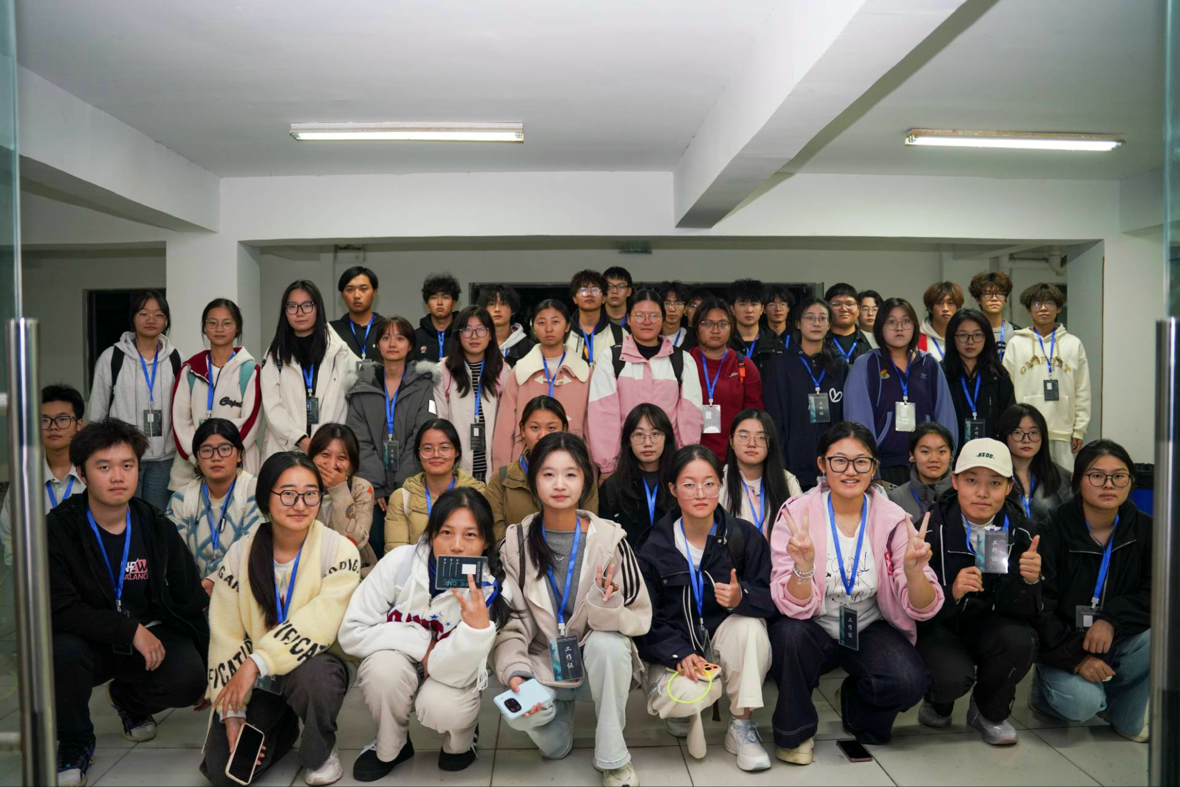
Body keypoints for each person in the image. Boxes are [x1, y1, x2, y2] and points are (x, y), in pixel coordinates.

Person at [767, 421, 943, 765]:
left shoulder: (895, 519)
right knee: (788, 636)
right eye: (839, 461)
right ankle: (795, 732)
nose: (851, 471)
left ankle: (857, 707)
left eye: (861, 461)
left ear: (874, 468)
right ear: (822, 464)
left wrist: (914, 574)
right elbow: (791, 605)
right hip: (813, 624)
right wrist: (803, 567)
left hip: (868, 624)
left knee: (909, 682)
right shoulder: (796, 514)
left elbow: (923, 607)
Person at [49, 419, 208, 787]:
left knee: (190, 677)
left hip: (146, 639)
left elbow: (189, 599)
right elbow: (59, 609)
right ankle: (75, 741)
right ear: (82, 473)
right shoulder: (58, 529)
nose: (118, 477)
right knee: (59, 652)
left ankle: (128, 700)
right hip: (87, 640)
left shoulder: (155, 526)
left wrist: (208, 667)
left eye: (127, 465)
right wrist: (127, 629)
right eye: (104, 467)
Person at [493, 432, 651, 787]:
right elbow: (511, 626)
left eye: (570, 474)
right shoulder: (515, 543)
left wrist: (607, 605)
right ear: (534, 481)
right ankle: (555, 713)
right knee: (552, 747)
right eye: (548, 474)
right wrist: (516, 674)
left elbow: (638, 617)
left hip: (595, 661)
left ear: (585, 481)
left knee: (610, 644)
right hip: (542, 662)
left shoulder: (610, 539)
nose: (560, 484)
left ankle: (613, 756)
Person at [200, 452, 361, 787]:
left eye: (310, 493)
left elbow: (322, 620)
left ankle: (321, 750)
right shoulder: (241, 553)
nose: (300, 504)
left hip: (314, 665)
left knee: (315, 676)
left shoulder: (338, 550)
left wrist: (256, 662)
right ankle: (283, 726)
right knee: (222, 773)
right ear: (266, 499)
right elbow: (225, 633)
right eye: (288, 494)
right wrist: (232, 712)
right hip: (259, 682)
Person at [338, 487, 514, 779]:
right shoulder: (399, 564)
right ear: (431, 534)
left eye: (470, 535)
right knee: (382, 670)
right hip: (402, 661)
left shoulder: (495, 590)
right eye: (446, 532)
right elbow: (352, 632)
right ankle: (391, 745)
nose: (456, 546)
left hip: (451, 677)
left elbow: (457, 673)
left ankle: (462, 741)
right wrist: (422, 645)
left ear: (485, 541)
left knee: (440, 705)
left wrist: (475, 629)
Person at [637, 445, 775, 771]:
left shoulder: (744, 536)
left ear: (721, 486)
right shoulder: (654, 545)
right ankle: (688, 708)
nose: (700, 493)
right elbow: (644, 618)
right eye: (689, 484)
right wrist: (678, 653)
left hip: (723, 638)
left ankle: (741, 725)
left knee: (750, 627)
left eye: (709, 483)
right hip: (677, 646)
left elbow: (774, 599)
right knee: (685, 697)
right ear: (673, 489)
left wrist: (743, 598)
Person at [915, 438, 1040, 746]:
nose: (982, 493)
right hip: (940, 625)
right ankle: (937, 703)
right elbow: (911, 606)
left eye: (995, 483)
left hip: (989, 623)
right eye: (972, 480)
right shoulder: (928, 528)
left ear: (1009, 487)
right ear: (955, 480)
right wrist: (951, 592)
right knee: (950, 676)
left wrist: (1029, 582)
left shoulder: (1023, 532)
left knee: (1020, 641)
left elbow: (1027, 611)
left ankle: (988, 712)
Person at [1031, 440, 1151, 743]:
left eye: (1119, 476)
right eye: (1097, 476)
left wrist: (1111, 620)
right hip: (1062, 643)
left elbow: (1158, 594)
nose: (1109, 485)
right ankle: (1045, 694)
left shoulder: (1146, 530)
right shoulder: (1052, 530)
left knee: (1161, 637)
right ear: (1076, 481)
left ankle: (1122, 711)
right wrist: (1078, 659)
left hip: (1115, 636)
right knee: (1083, 704)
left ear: (1130, 481)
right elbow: (1040, 607)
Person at [588, 289, 704, 474]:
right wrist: (608, 465)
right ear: (628, 318)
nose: (647, 321)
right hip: (623, 463)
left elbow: (690, 416)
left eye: (654, 315)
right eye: (640, 315)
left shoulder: (682, 360)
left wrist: (685, 461)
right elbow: (603, 415)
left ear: (663, 318)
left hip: (670, 462)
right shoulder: (611, 358)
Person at [345, 315, 435, 552]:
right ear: (378, 344)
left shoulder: (424, 385)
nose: (392, 343)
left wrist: (402, 485)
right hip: (372, 490)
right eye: (386, 337)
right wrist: (376, 486)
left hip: (412, 485)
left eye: (400, 338)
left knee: (413, 548)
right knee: (374, 545)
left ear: (410, 345)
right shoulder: (361, 387)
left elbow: (423, 435)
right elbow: (359, 440)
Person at [844, 297, 958, 485]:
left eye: (906, 321)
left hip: (927, 467)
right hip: (883, 467)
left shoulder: (929, 364)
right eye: (891, 322)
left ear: (914, 326)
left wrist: (943, 465)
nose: (899, 328)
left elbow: (946, 419)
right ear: (880, 327)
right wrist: (870, 469)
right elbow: (858, 423)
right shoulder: (866, 364)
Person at [88, 290, 183, 512]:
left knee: (157, 518)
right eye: (144, 313)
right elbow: (97, 411)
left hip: (164, 459)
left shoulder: (176, 358)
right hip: (122, 457)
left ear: (166, 320)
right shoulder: (112, 357)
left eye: (159, 315)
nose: (151, 319)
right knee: (123, 515)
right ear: (133, 317)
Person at [170, 298, 262, 491]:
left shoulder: (250, 371)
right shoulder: (190, 370)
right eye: (212, 323)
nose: (219, 329)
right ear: (204, 328)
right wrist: (199, 457)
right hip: (191, 468)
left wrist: (222, 456)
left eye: (227, 323)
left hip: (238, 469)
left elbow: (249, 423)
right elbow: (180, 421)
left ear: (237, 328)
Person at [261, 280, 359, 460]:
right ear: (285, 311)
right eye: (292, 306)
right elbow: (272, 405)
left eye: (307, 305)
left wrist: (324, 442)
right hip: (284, 450)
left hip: (328, 449)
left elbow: (361, 387)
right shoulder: (275, 354)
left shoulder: (338, 350)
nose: (299, 313)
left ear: (317, 308)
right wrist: (301, 440)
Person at [762, 297, 849, 490]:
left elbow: (846, 417)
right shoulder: (780, 366)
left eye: (822, 318)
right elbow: (775, 419)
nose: (816, 323)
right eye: (810, 317)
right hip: (794, 463)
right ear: (798, 323)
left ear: (829, 325)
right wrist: (779, 463)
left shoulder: (839, 365)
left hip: (834, 462)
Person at [1002, 283, 1091, 469]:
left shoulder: (1073, 344)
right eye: (1037, 304)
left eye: (1049, 303)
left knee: (1063, 480)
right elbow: (1006, 389)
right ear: (1029, 310)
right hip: (1025, 432)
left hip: (1062, 430)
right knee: (1026, 478)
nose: (1043, 308)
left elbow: (1082, 389)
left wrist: (1079, 430)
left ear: (1059, 308)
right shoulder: (1016, 344)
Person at [166, 418, 261, 592]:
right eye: (206, 450)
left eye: (225, 449)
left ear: (239, 455)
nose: (216, 457)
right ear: (197, 459)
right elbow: (174, 556)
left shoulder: (255, 492)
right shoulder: (182, 499)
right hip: (193, 593)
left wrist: (213, 581)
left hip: (243, 590)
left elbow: (252, 550)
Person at [486, 395, 600, 540]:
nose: (542, 435)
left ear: (564, 428)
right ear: (522, 430)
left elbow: (590, 528)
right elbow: (496, 534)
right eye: (534, 428)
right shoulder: (502, 478)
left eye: (551, 428)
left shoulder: (581, 476)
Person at [493, 299, 592, 463]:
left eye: (555, 322)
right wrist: (502, 471)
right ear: (533, 327)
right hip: (525, 460)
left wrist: (591, 469)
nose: (549, 329)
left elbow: (592, 428)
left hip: (573, 459)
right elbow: (505, 428)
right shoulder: (519, 371)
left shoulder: (584, 373)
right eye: (541, 322)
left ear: (567, 326)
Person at [0, 383, 86, 568]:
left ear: (79, 425)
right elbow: (9, 533)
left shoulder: (94, 476)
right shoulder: (24, 479)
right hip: (36, 576)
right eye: (44, 420)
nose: (53, 427)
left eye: (62, 419)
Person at [384, 419, 488, 552]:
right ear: (418, 453)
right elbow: (396, 554)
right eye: (427, 449)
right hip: (414, 565)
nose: (436, 454)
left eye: (444, 448)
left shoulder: (478, 494)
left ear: (456, 452)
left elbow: (484, 546)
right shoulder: (402, 498)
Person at [434, 305, 509, 483]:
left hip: (492, 468)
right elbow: (440, 420)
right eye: (467, 330)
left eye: (481, 329)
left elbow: (507, 422)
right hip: (456, 468)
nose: (474, 336)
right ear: (458, 335)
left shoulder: (502, 369)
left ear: (490, 335)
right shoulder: (443, 371)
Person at [688, 297, 763, 462]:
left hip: (734, 457)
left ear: (731, 327)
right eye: (707, 324)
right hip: (692, 456)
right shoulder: (684, 362)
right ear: (696, 327)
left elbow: (754, 418)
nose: (715, 330)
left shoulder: (744, 365)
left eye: (722, 324)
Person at [598, 403, 678, 549]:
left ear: (666, 438)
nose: (647, 443)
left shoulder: (679, 481)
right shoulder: (612, 486)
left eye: (655, 434)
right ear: (628, 440)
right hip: (628, 561)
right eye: (639, 435)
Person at [718, 410, 802, 538]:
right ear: (731, 441)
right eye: (743, 436)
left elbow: (800, 528)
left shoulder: (787, 481)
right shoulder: (718, 480)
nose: (752, 444)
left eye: (761, 437)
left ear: (770, 444)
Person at [309, 423, 378, 573]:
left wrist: (339, 489)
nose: (332, 464)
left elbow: (355, 542)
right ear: (312, 457)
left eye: (341, 457)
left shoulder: (362, 488)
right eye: (325, 455)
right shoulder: (301, 487)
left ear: (351, 466)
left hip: (355, 570)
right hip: (310, 569)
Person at [942, 309, 1016, 442]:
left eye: (977, 335)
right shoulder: (942, 373)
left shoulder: (998, 375)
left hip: (992, 450)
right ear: (952, 338)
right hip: (950, 449)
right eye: (963, 335)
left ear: (986, 337)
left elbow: (1009, 421)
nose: (970, 342)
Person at [1000, 404, 1072, 527]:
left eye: (1033, 432)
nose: (1026, 439)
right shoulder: (994, 474)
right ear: (1004, 435)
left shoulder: (1061, 477)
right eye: (1017, 432)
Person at [888, 424, 954, 520]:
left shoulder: (961, 494)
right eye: (925, 452)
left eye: (942, 451)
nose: (934, 459)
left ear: (951, 455)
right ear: (912, 455)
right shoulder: (896, 498)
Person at [566, 270, 624, 365]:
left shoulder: (619, 334)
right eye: (583, 290)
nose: (589, 294)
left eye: (595, 290)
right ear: (574, 298)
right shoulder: (564, 332)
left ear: (604, 298)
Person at [331, 265, 383, 363]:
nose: (356, 295)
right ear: (342, 295)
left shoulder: (388, 328)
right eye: (350, 289)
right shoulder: (331, 331)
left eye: (363, 289)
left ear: (374, 293)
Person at [728, 279, 781, 371]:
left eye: (754, 304)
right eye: (742, 304)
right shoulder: (724, 341)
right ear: (732, 309)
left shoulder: (774, 342)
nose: (749, 310)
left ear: (762, 309)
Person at [478, 283, 536, 366]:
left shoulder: (528, 348)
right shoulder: (475, 342)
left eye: (503, 303)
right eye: (491, 303)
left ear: (513, 310)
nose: (497, 309)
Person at [968, 271, 1020, 361]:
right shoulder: (968, 332)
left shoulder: (1017, 333)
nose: (994, 298)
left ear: (1005, 298)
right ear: (978, 300)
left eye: (1000, 293)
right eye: (988, 294)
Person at [412, 273, 461, 362]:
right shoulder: (415, 337)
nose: (439, 302)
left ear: (454, 304)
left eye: (445, 297)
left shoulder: (463, 335)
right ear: (427, 305)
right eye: (434, 297)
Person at [824, 283, 872, 366]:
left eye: (849, 304)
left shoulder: (873, 341)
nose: (844, 309)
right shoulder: (818, 340)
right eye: (836, 304)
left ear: (858, 309)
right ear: (826, 308)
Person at [917, 281, 963, 362]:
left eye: (950, 303)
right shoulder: (917, 339)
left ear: (958, 308)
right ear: (930, 308)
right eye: (939, 303)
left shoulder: (965, 338)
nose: (945, 308)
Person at [659, 280, 694, 350]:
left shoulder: (694, 339)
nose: (672, 309)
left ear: (685, 309)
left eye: (678, 303)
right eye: (667, 303)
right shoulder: (651, 336)